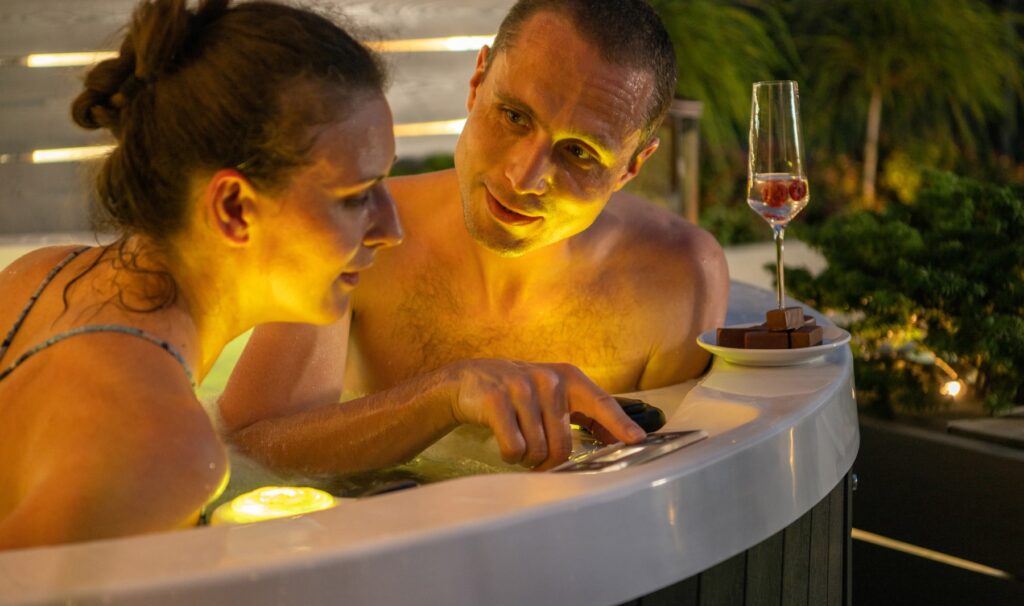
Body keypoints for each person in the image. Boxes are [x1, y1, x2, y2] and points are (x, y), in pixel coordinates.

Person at [0, 0, 644, 550]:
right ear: (232, 208)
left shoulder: (36, 280)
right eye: (355, 195)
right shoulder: (165, 452)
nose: (391, 227)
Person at [220, 0, 729, 453]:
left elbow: (663, 488)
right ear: (477, 80)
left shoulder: (679, 281)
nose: (523, 176)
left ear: (630, 168)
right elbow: (253, 446)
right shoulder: (354, 232)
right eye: (513, 116)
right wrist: (446, 395)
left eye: (578, 152)